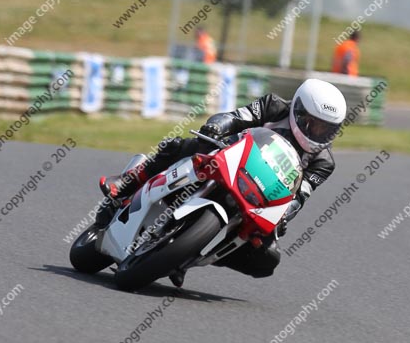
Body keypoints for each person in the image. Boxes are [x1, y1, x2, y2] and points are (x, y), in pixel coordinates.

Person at [96, 79, 347, 283]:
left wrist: (283, 217)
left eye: (326, 129)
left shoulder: (324, 162)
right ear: (298, 111)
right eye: (312, 125)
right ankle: (129, 181)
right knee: (185, 145)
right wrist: (216, 126)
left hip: (259, 197)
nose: (317, 133)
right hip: (228, 156)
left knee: (266, 259)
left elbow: (300, 196)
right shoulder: (274, 107)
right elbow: (236, 116)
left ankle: (183, 257)